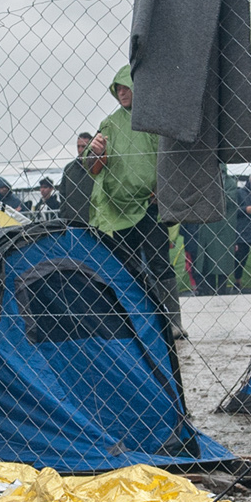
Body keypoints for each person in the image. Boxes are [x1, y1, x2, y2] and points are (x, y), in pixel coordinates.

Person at [85, 67, 177, 322]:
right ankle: (137, 321)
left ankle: (172, 322)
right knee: (128, 266)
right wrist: (95, 150)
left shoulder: (152, 120)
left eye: (126, 86)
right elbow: (93, 166)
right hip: (119, 210)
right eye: (118, 88)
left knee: (160, 263)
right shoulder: (110, 124)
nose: (122, 92)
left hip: (150, 206)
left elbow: (168, 158)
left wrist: (163, 188)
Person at [59, 134, 94, 225]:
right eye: (78, 146)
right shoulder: (69, 169)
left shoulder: (96, 168)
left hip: (93, 221)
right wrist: (65, 216)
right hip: (73, 221)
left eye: (84, 146)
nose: (80, 150)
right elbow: (62, 194)